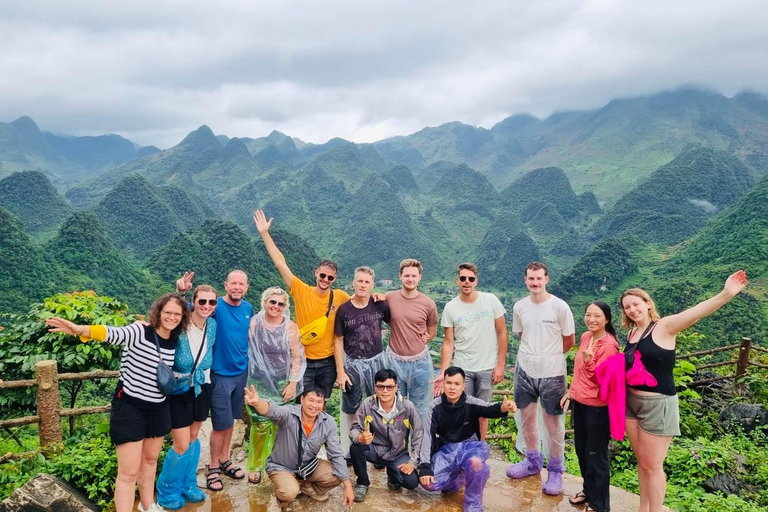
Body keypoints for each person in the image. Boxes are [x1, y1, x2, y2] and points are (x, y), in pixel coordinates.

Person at [46, 293, 189, 512]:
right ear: (158, 312)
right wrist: (80, 329)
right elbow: (111, 333)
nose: (172, 317)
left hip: (159, 408)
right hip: (131, 408)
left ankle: (148, 505)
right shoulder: (138, 331)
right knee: (128, 472)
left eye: (177, 314)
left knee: (150, 462)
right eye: (167, 312)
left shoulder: (174, 341)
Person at [621, 270, 748, 512]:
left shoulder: (665, 326)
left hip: (658, 404)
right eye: (627, 307)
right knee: (643, 463)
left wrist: (726, 294)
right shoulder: (632, 333)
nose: (632, 310)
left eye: (636, 304)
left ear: (648, 304)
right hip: (631, 403)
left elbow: (697, 312)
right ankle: (642, 508)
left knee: (653, 466)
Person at [254, 209, 350, 399]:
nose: (325, 279)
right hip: (303, 359)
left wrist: (382, 297)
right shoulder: (301, 291)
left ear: (334, 279)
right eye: (322, 275)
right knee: (302, 404)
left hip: (328, 362)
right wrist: (265, 233)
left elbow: (360, 302)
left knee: (320, 403)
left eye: (330, 277)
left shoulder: (340, 296)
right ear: (316, 273)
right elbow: (281, 263)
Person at [176, 270, 253, 490]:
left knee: (231, 421)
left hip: (241, 373)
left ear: (247, 287)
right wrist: (181, 293)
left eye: (241, 284)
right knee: (220, 424)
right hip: (219, 375)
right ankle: (213, 467)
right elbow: (185, 312)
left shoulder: (248, 308)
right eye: (233, 283)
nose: (237, 287)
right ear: (226, 285)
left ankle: (224, 459)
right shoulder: (215, 306)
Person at [506, 261, 575, 495]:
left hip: (552, 369)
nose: (535, 283)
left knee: (552, 421)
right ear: (525, 280)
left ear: (547, 279)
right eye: (531, 279)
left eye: (539, 278)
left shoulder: (559, 307)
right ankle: (532, 462)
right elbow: (522, 333)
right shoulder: (520, 307)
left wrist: (549, 354)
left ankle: (555, 469)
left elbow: (569, 340)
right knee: (525, 416)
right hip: (525, 366)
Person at [419, 367, 517, 512]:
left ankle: (473, 501)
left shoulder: (471, 402)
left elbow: (489, 408)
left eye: (457, 384)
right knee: (429, 484)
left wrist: (502, 407)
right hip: (447, 450)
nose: (452, 387)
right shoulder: (435, 407)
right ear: (443, 384)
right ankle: (456, 479)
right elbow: (427, 436)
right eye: (449, 383)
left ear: (463, 386)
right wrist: (425, 468)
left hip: (471, 447)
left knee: (476, 464)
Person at [156, 285, 218, 509]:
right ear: (193, 302)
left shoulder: (212, 325)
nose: (207, 306)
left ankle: (188, 485)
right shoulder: (182, 323)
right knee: (181, 444)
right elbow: (169, 315)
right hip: (180, 389)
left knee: (193, 438)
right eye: (202, 301)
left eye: (212, 302)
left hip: (202, 386)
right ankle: (167, 490)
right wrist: (180, 293)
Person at [244, 384, 356, 508]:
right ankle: (283, 497)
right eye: (311, 400)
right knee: (289, 492)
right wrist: (257, 403)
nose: (314, 405)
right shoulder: (289, 414)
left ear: (323, 403)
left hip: (307, 466)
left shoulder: (328, 422)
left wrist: (348, 486)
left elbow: (336, 454)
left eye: (319, 401)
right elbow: (272, 410)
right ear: (302, 399)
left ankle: (305, 487)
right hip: (282, 466)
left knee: (337, 475)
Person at [434, 262, 507, 440]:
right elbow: (449, 342)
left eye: (471, 279)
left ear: (476, 281)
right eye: (463, 278)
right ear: (457, 281)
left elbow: (502, 332)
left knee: (483, 411)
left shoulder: (490, 300)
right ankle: (458, 445)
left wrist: (500, 364)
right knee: (459, 409)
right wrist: (444, 372)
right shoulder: (451, 307)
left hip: (486, 367)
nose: (467, 282)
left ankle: (480, 446)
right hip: (462, 368)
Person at [561, 302, 619, 512]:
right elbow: (579, 372)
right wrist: (571, 391)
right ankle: (588, 490)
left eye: (597, 316)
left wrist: (589, 362)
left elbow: (605, 380)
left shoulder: (608, 346)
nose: (592, 319)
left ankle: (599, 505)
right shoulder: (586, 336)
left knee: (596, 456)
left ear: (607, 319)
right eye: (588, 315)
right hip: (581, 403)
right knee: (582, 452)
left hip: (598, 408)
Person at [245, 286, 306, 485]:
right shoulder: (255, 323)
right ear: (264, 302)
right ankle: (255, 466)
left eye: (281, 304)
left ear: (285, 307)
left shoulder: (290, 327)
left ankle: (277, 465)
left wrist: (292, 384)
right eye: (272, 302)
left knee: (282, 426)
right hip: (258, 382)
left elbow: (297, 357)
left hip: (282, 384)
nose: (276, 306)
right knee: (260, 425)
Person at [334, 266, 391, 458]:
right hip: (352, 364)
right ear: (353, 283)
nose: (363, 285)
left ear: (372, 285)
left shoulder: (379, 305)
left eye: (367, 282)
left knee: (379, 404)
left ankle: (378, 449)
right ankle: (350, 450)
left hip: (376, 361)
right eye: (360, 281)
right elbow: (338, 340)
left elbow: (397, 324)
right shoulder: (344, 310)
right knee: (351, 407)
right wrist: (340, 371)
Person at [348, 368, 424, 502]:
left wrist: (413, 462)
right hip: (374, 450)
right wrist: (359, 437)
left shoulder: (407, 406)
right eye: (381, 386)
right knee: (356, 447)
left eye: (389, 387)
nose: (385, 391)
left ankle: (392, 474)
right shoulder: (368, 404)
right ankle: (362, 483)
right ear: (375, 387)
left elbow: (419, 434)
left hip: (398, 454)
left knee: (411, 483)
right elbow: (355, 428)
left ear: (396, 387)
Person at [384, 258, 439, 421]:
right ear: (400, 276)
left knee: (420, 407)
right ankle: (397, 444)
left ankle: (418, 444)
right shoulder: (389, 297)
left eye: (414, 276)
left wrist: (427, 337)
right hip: (394, 360)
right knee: (395, 405)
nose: (410, 279)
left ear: (420, 277)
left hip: (419, 363)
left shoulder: (428, 303)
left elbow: (432, 331)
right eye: (407, 275)